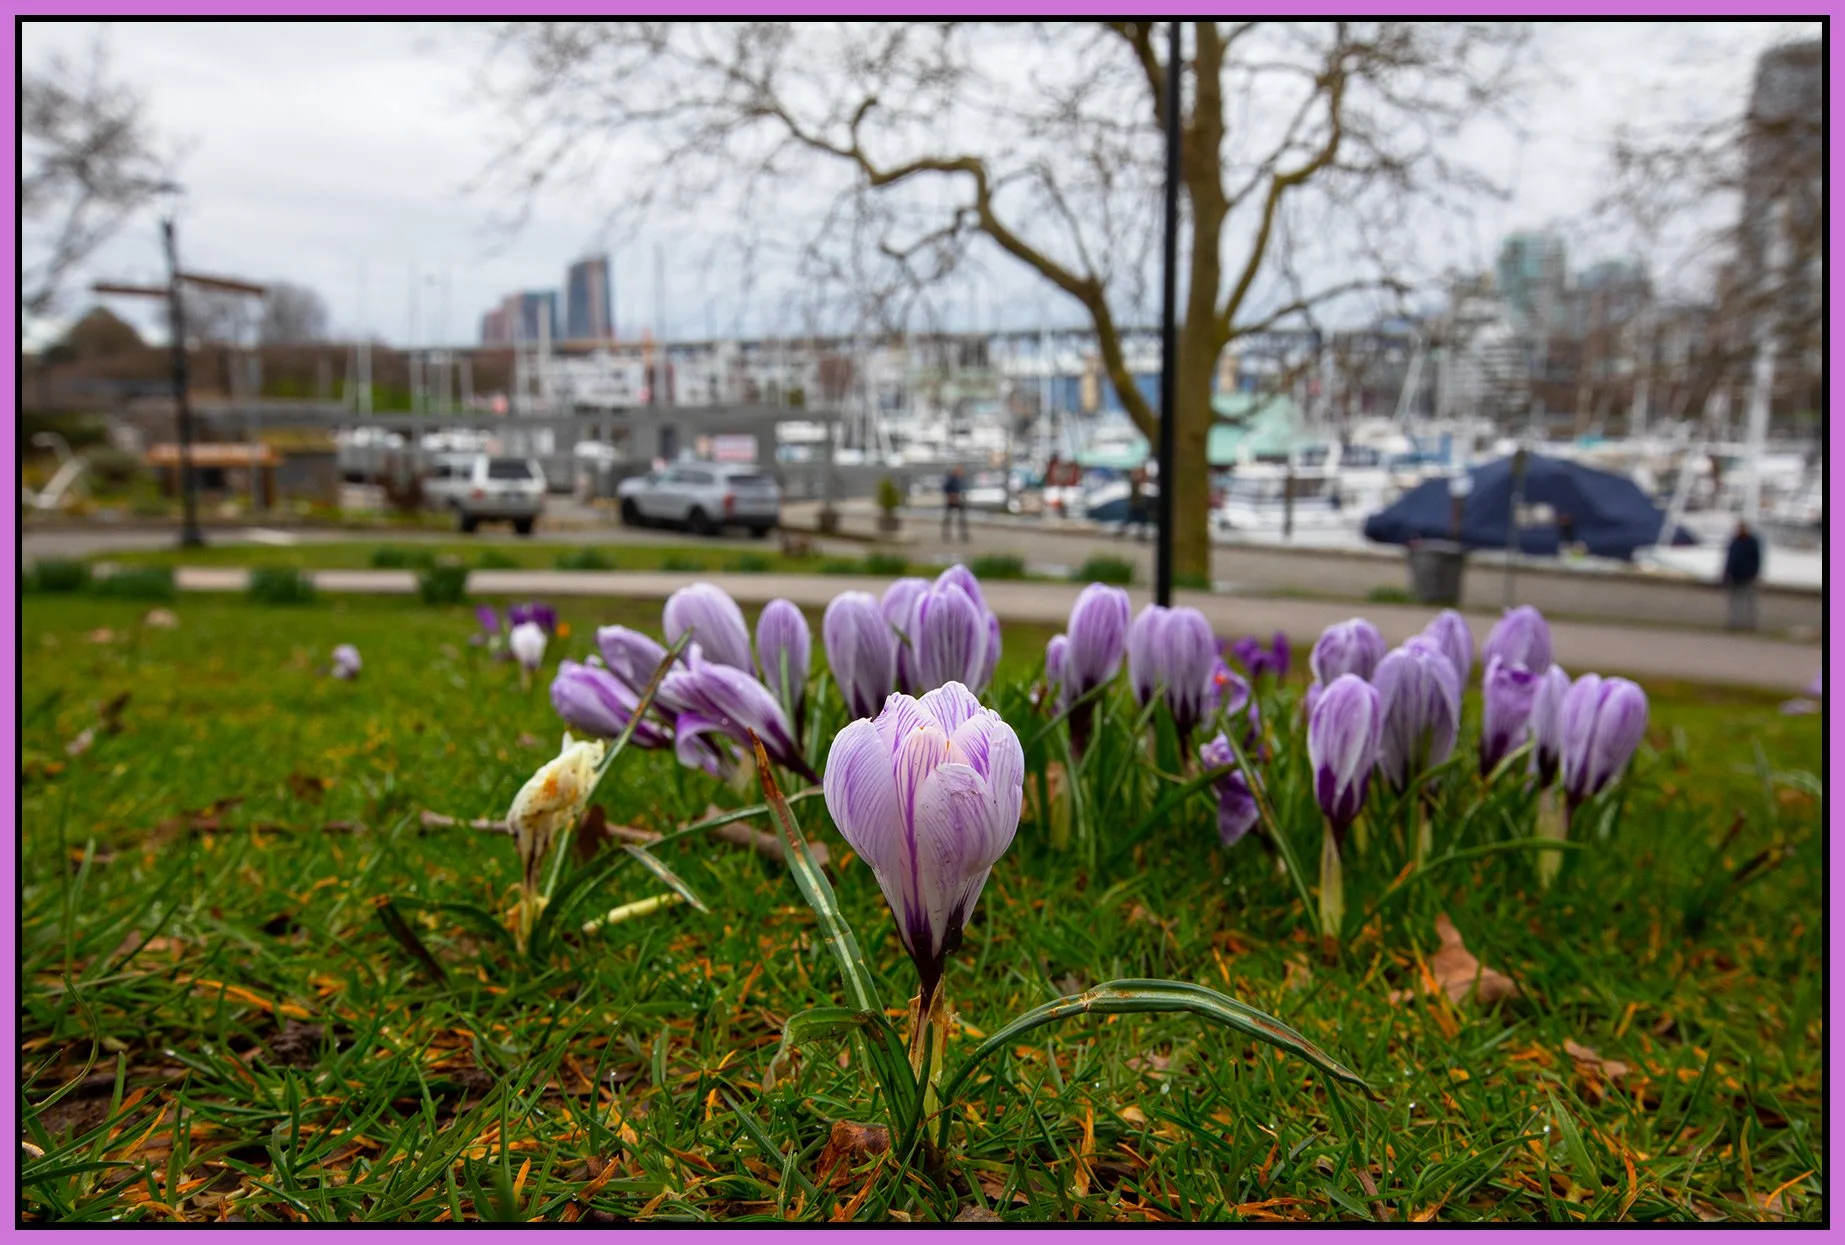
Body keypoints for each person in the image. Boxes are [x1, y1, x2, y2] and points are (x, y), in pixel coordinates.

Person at [1722, 520, 1762, 631]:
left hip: (1748, 576)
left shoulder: (1752, 542)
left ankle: (1751, 624)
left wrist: (1754, 573)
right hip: (1735, 576)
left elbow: (1756, 560)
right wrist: (1727, 572)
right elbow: (1730, 559)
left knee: (1749, 601)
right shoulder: (1735, 542)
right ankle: (1734, 623)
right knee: (1735, 601)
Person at [942, 464, 969, 542]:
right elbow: (945, 488)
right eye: (959, 470)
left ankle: (964, 535)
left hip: (960, 500)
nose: (961, 472)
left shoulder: (961, 479)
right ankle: (946, 535)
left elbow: (964, 488)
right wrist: (951, 495)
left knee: (962, 519)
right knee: (949, 518)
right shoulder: (951, 479)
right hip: (952, 500)